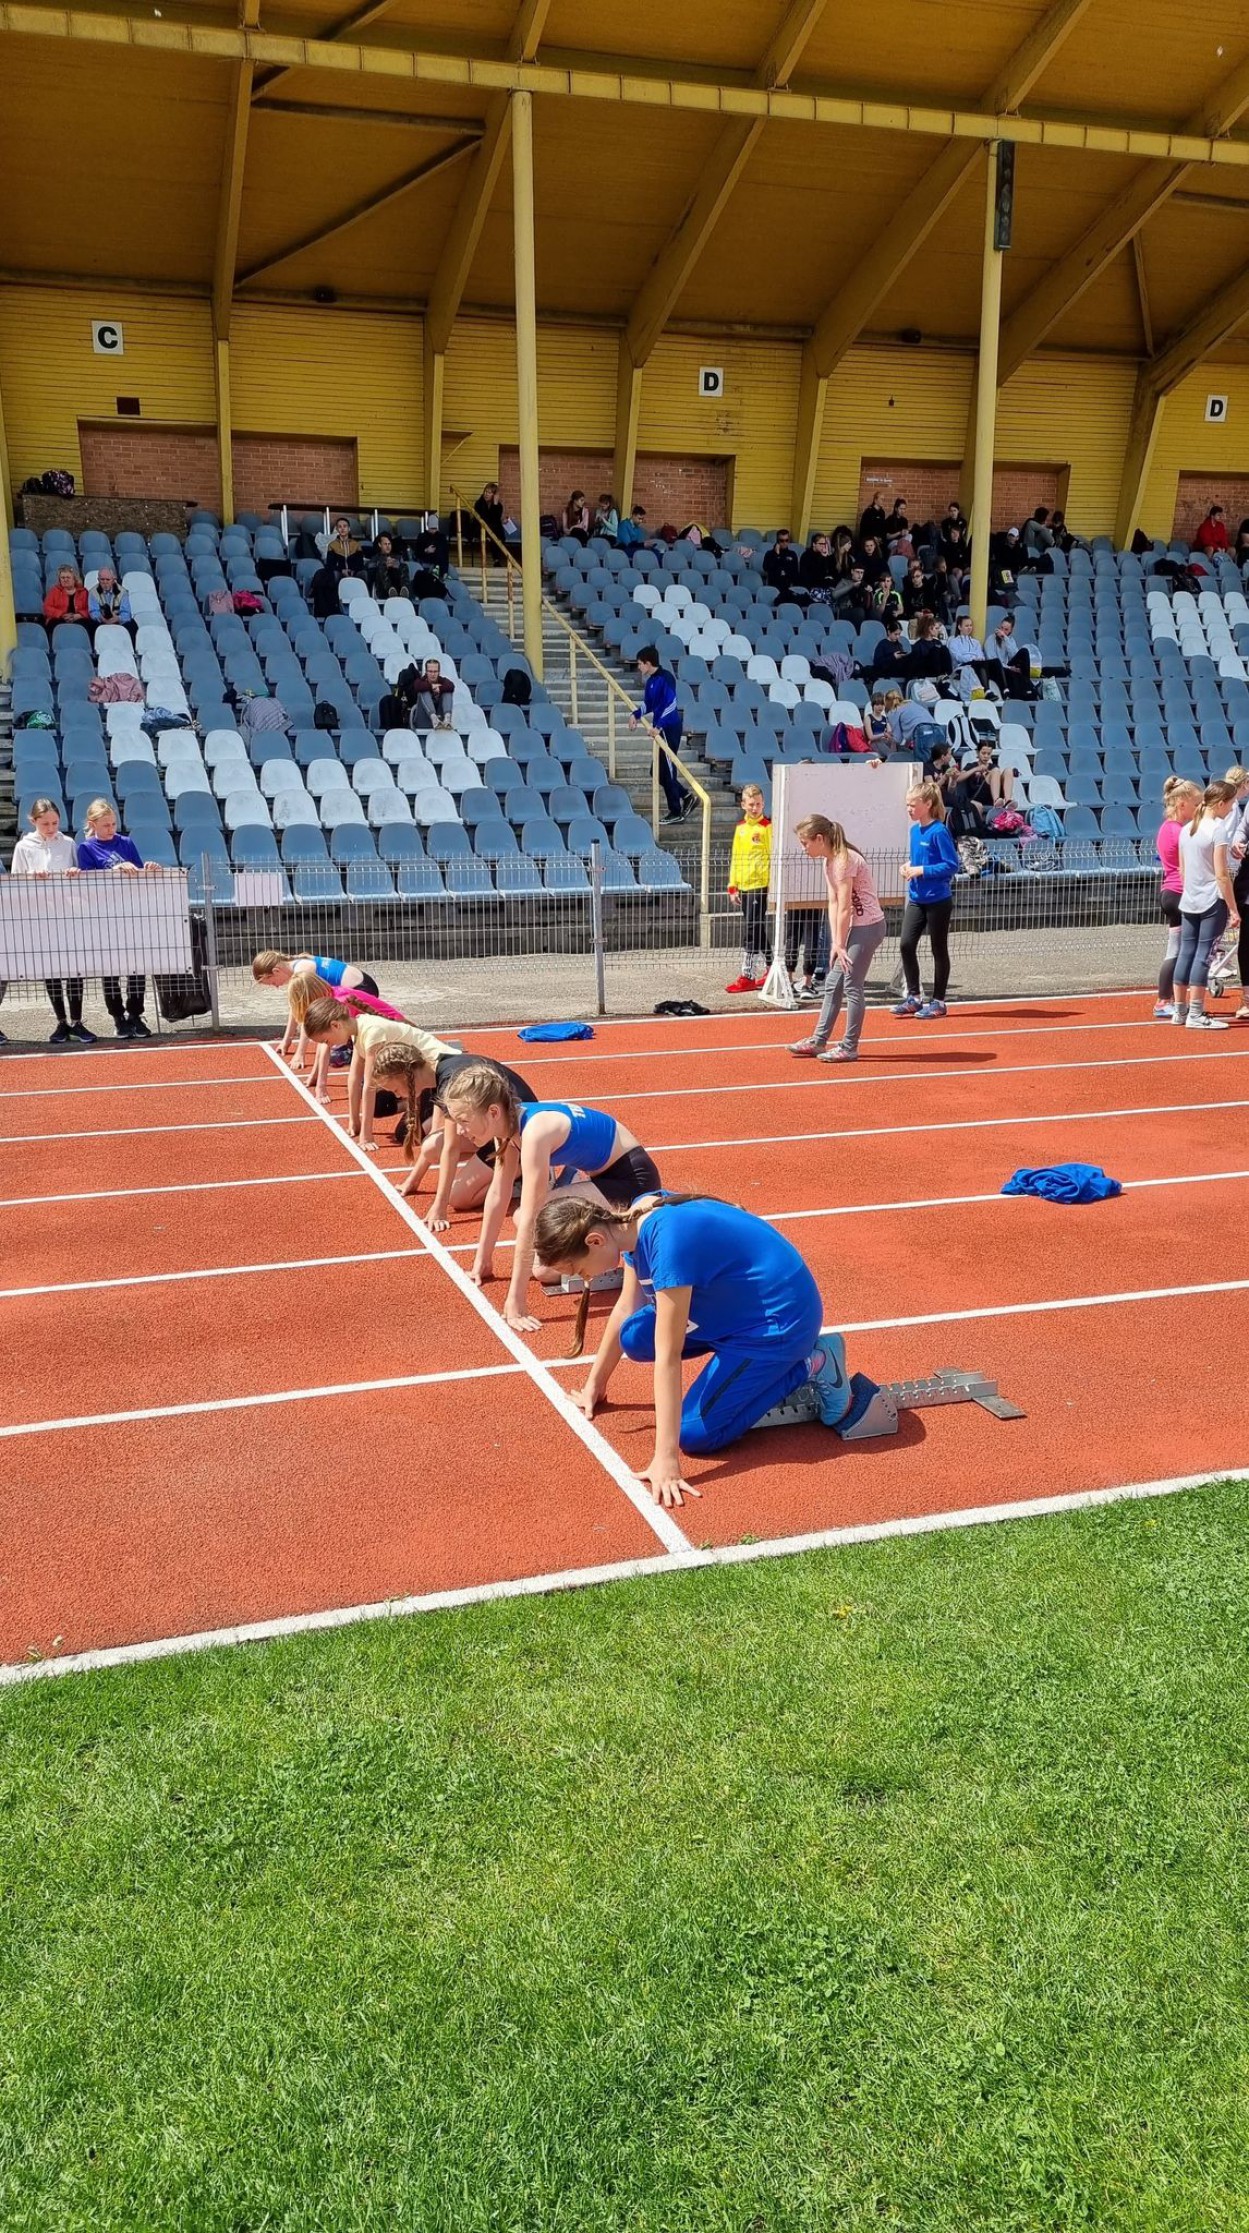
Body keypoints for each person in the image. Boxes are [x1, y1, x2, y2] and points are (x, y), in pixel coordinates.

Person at [532, 1192, 874, 1506]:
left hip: (779, 1322)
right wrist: (594, 1386)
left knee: (693, 1433)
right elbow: (626, 1308)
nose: (586, 1279)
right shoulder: (629, 1223)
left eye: (579, 1270)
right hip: (735, 1306)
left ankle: (814, 1362)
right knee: (633, 1336)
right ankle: (745, 1365)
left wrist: (665, 1458)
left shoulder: (667, 1243)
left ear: (594, 1240)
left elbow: (668, 1356)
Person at [440, 1066, 662, 1335]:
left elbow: (532, 1216)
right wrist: (482, 1261)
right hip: (604, 1177)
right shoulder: (508, 1127)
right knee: (542, 1252)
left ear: (493, 1112)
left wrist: (516, 1301)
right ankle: (596, 1235)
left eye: (463, 1120)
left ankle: (615, 1254)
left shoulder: (534, 1132)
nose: (460, 1131)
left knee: (543, 1264)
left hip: (632, 1182)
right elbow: (498, 1193)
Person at [368, 1040, 537, 1222]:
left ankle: (521, 1172)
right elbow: (441, 1138)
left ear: (405, 1075)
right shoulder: (438, 1071)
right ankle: (511, 1170)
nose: (397, 1096)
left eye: (394, 1089)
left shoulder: (450, 1082)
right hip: (491, 1126)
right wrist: (412, 1181)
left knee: (458, 1198)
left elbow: (451, 1147)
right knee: (430, 1147)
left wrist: (439, 1207)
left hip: (516, 1132)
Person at [788, 813, 886, 1065]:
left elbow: (845, 906)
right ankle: (818, 1040)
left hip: (868, 927)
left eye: (805, 843)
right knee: (833, 983)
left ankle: (849, 1047)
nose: (803, 849)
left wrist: (841, 944)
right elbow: (832, 902)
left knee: (852, 985)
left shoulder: (844, 860)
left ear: (820, 839)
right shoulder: (829, 861)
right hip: (854, 929)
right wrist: (836, 942)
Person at [301, 997, 459, 1146]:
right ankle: (416, 1104)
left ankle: (449, 1114)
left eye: (325, 1041)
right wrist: (354, 1120)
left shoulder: (372, 1032)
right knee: (379, 1104)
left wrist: (366, 1135)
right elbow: (354, 1078)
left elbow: (369, 1085)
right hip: (422, 1078)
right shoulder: (358, 1031)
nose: (328, 1046)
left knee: (405, 1135)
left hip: (445, 1074)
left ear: (336, 1025)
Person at [10, 798, 96, 1044]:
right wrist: (30, 876)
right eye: (45, 823)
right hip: (41, 916)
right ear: (33, 821)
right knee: (52, 971)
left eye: (55, 823)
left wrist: (75, 873)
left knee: (75, 969)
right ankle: (61, 1021)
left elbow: (82, 874)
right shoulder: (23, 847)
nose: (50, 828)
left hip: (68, 914)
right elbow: (15, 881)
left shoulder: (68, 843)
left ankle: (77, 1021)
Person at [75, 800, 160, 1037]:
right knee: (111, 970)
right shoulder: (86, 848)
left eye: (113, 824)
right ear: (93, 824)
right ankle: (118, 1016)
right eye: (105, 825)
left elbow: (139, 873)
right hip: (105, 915)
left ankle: (135, 1014)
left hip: (131, 911)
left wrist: (148, 868)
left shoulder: (126, 842)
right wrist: (113, 872)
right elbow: (88, 883)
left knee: (137, 967)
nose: (111, 829)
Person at [252, 948, 382, 1095]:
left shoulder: (304, 972)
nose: (276, 986)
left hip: (362, 989)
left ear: (276, 971)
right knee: (333, 1039)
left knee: (338, 1049)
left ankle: (363, 1067)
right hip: (357, 987)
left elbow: (310, 1020)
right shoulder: (295, 967)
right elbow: (296, 1008)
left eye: (272, 983)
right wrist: (287, 1040)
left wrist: (301, 1054)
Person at [1172, 780, 1240, 1031]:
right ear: (1221, 803)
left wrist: (1192, 889)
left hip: (1190, 899)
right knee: (1204, 955)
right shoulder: (1217, 830)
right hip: (1211, 900)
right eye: (1231, 804)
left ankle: (1180, 1010)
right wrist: (1233, 908)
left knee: (1186, 952)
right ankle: (1196, 1013)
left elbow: (1182, 870)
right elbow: (1222, 874)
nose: (1231, 809)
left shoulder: (1187, 829)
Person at [892, 781, 961, 1020]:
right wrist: (909, 866)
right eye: (907, 805)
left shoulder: (939, 831)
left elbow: (951, 865)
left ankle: (939, 1001)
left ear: (928, 804)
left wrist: (921, 870)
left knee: (938, 949)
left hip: (937, 899)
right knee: (906, 944)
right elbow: (920, 859)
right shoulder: (914, 831)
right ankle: (914, 997)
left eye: (913, 805)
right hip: (916, 898)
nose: (909, 809)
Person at [1153, 778, 1202, 1020]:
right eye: (1196, 804)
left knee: (1175, 949)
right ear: (1182, 804)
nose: (1198, 809)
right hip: (1180, 893)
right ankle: (1166, 1000)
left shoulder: (1167, 828)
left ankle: (1165, 999)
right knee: (1184, 950)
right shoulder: (1179, 831)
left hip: (1171, 892)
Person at [631, 646, 693, 823]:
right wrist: (635, 715)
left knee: (667, 770)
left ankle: (676, 811)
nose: (638, 667)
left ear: (648, 663)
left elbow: (671, 704)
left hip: (669, 728)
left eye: (640, 664)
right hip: (661, 728)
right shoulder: (651, 681)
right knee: (656, 771)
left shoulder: (666, 678)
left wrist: (658, 726)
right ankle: (686, 796)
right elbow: (648, 704)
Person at [726, 782, 772, 993]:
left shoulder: (767, 827)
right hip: (743, 884)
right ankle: (772, 965)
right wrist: (732, 885)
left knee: (751, 928)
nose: (755, 808)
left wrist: (772, 885)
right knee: (756, 926)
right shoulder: (740, 828)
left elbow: (773, 857)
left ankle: (748, 974)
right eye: (751, 804)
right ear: (743, 804)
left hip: (759, 885)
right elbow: (736, 857)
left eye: (759, 804)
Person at [409, 656, 456, 731]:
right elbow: (417, 686)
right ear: (426, 672)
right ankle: (434, 719)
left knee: (447, 692)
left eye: (435, 671)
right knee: (424, 691)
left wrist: (439, 689)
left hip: (440, 720)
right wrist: (432, 687)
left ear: (439, 672)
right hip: (423, 721)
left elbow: (451, 686)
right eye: (430, 671)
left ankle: (447, 719)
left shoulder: (442, 681)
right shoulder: (420, 681)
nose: (433, 674)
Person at [43, 564, 89, 630]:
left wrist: (79, 615)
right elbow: (47, 608)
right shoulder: (54, 591)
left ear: (74, 579)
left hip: (78, 618)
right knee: (55, 623)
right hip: (59, 618)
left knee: (87, 624)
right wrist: (61, 614)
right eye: (63, 578)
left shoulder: (83, 592)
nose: (65, 580)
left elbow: (89, 609)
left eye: (68, 577)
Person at [367, 533, 410, 604]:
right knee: (382, 567)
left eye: (389, 544)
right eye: (385, 544)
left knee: (403, 566)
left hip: (398, 585)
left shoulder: (398, 557)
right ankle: (390, 590)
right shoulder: (375, 559)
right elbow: (371, 576)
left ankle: (404, 590)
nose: (388, 546)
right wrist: (384, 565)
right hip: (382, 589)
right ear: (380, 545)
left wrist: (396, 566)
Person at [87, 566, 133, 632]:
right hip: (101, 621)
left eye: (108, 579)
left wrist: (117, 618)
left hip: (118, 621)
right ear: (98, 580)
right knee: (91, 624)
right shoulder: (93, 592)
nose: (105, 582)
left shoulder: (123, 592)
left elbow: (126, 613)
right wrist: (102, 618)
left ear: (113, 580)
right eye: (102, 579)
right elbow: (93, 612)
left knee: (131, 625)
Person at [762, 528, 801, 601]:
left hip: (789, 586)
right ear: (777, 541)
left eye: (787, 540)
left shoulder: (792, 554)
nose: (784, 543)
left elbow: (794, 572)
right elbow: (766, 568)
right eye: (782, 540)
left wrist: (784, 571)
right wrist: (777, 555)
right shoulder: (770, 554)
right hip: (774, 585)